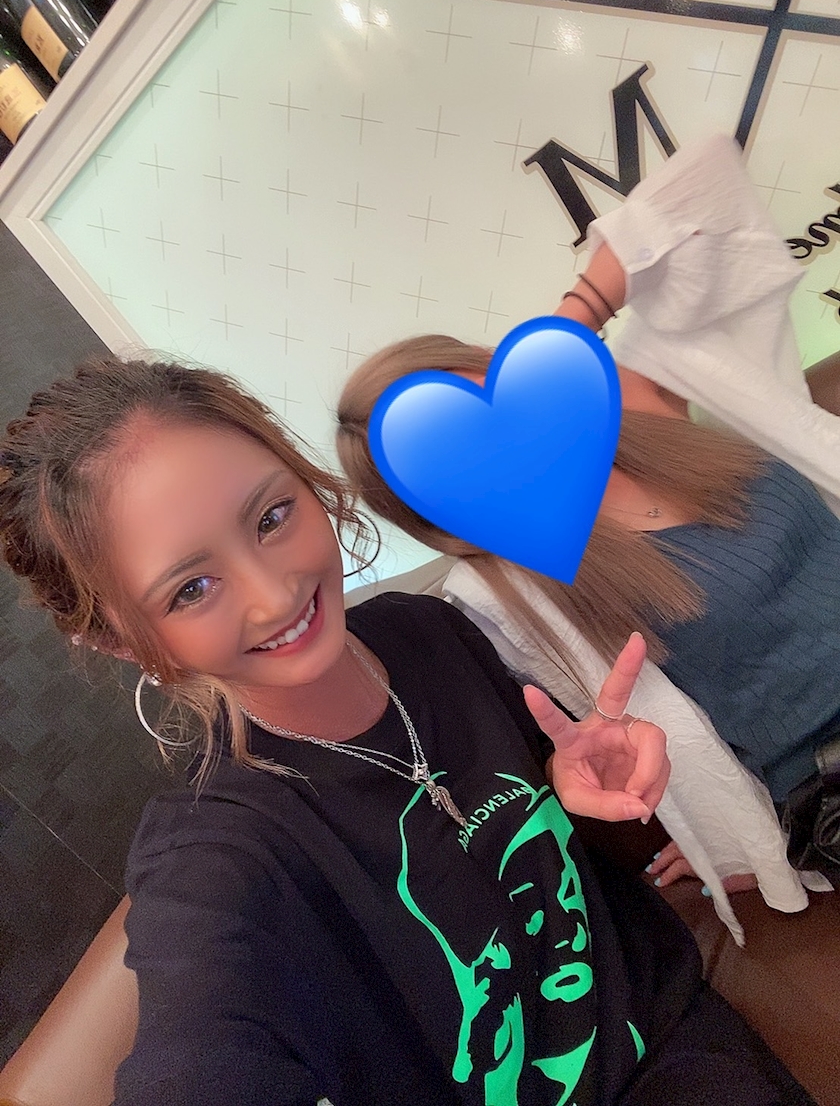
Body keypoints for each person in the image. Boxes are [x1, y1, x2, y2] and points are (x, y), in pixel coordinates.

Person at [0, 354, 816, 1104]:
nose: (275, 595)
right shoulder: (218, 854)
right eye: (191, 588)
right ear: (118, 639)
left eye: (272, 515)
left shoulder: (430, 630)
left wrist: (563, 779)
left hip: (677, 1045)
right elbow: (200, 1046)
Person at [336, 134, 840, 915]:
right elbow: (601, 743)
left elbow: (708, 178)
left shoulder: (634, 397)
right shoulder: (515, 593)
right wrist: (737, 835)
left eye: (478, 396)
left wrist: (577, 318)